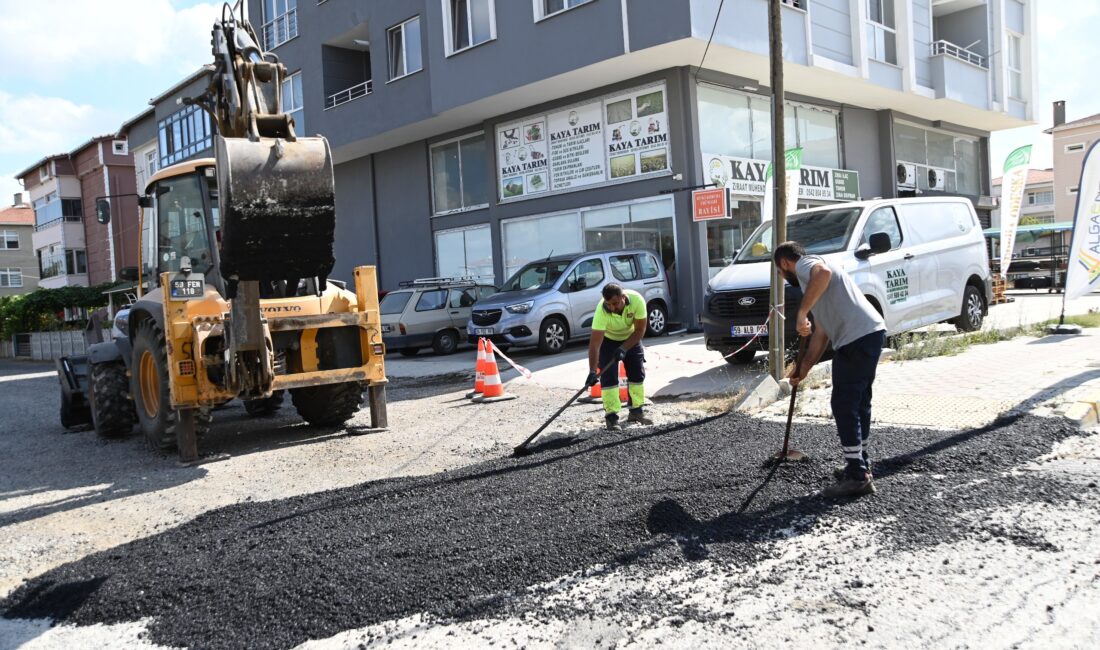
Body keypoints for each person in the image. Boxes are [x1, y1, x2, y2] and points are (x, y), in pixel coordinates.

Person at [773, 241, 886, 497]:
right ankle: (859, 464)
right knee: (858, 403)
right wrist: (803, 368)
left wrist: (801, 313)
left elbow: (822, 274)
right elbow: (821, 333)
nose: (782, 276)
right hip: (869, 333)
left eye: (780, 272)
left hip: (857, 337)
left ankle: (857, 476)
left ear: (785, 263)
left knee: (844, 404)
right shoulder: (814, 285)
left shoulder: (807, 265)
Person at [585, 283, 652, 431]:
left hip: (632, 337)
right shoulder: (602, 311)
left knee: (637, 374)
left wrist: (624, 348)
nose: (612, 308)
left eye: (615, 303)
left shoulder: (637, 301)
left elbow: (640, 330)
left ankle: (636, 411)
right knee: (609, 378)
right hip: (608, 341)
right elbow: (595, 344)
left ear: (623, 297)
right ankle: (612, 417)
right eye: (609, 304)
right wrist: (592, 371)